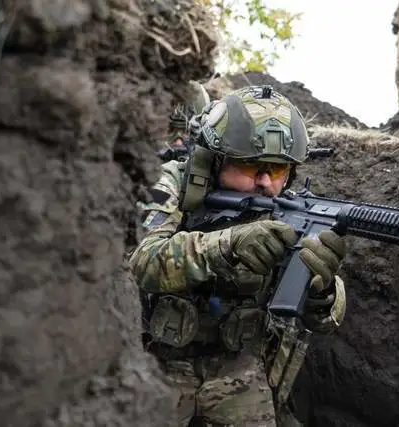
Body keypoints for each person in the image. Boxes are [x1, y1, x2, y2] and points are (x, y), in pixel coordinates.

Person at [129, 85, 347, 426]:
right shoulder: (170, 182)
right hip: (157, 360)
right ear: (216, 159)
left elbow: (324, 322)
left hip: (239, 369)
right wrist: (226, 245)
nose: (265, 183)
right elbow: (142, 261)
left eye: (278, 170)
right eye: (250, 167)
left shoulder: (293, 210)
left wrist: (323, 290)